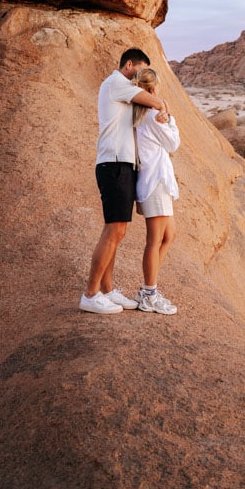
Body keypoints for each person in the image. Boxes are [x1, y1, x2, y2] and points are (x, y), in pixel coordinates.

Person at [79, 48, 169, 315]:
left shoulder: (121, 88)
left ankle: (107, 290)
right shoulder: (117, 83)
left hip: (121, 165)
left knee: (116, 231)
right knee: (115, 231)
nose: (139, 76)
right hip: (114, 164)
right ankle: (91, 294)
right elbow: (153, 101)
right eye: (138, 70)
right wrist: (163, 106)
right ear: (128, 64)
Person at [132, 67, 180, 315]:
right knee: (154, 241)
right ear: (153, 89)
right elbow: (173, 144)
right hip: (155, 182)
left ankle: (147, 288)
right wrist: (169, 116)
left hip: (155, 181)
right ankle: (149, 293)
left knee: (169, 235)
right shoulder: (152, 116)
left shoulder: (140, 116)